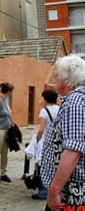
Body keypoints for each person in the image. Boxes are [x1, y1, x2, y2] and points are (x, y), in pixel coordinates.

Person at [41, 55, 85, 211]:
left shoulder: (74, 102)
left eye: (57, 75)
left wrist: (54, 190)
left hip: (72, 192)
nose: (55, 79)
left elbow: (73, 151)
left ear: (67, 79)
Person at [30, 89, 59, 201]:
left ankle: (43, 191)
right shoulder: (58, 109)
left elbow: (41, 129)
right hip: (55, 141)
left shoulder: (44, 111)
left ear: (45, 99)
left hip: (45, 141)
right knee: (53, 165)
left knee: (42, 165)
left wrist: (37, 139)